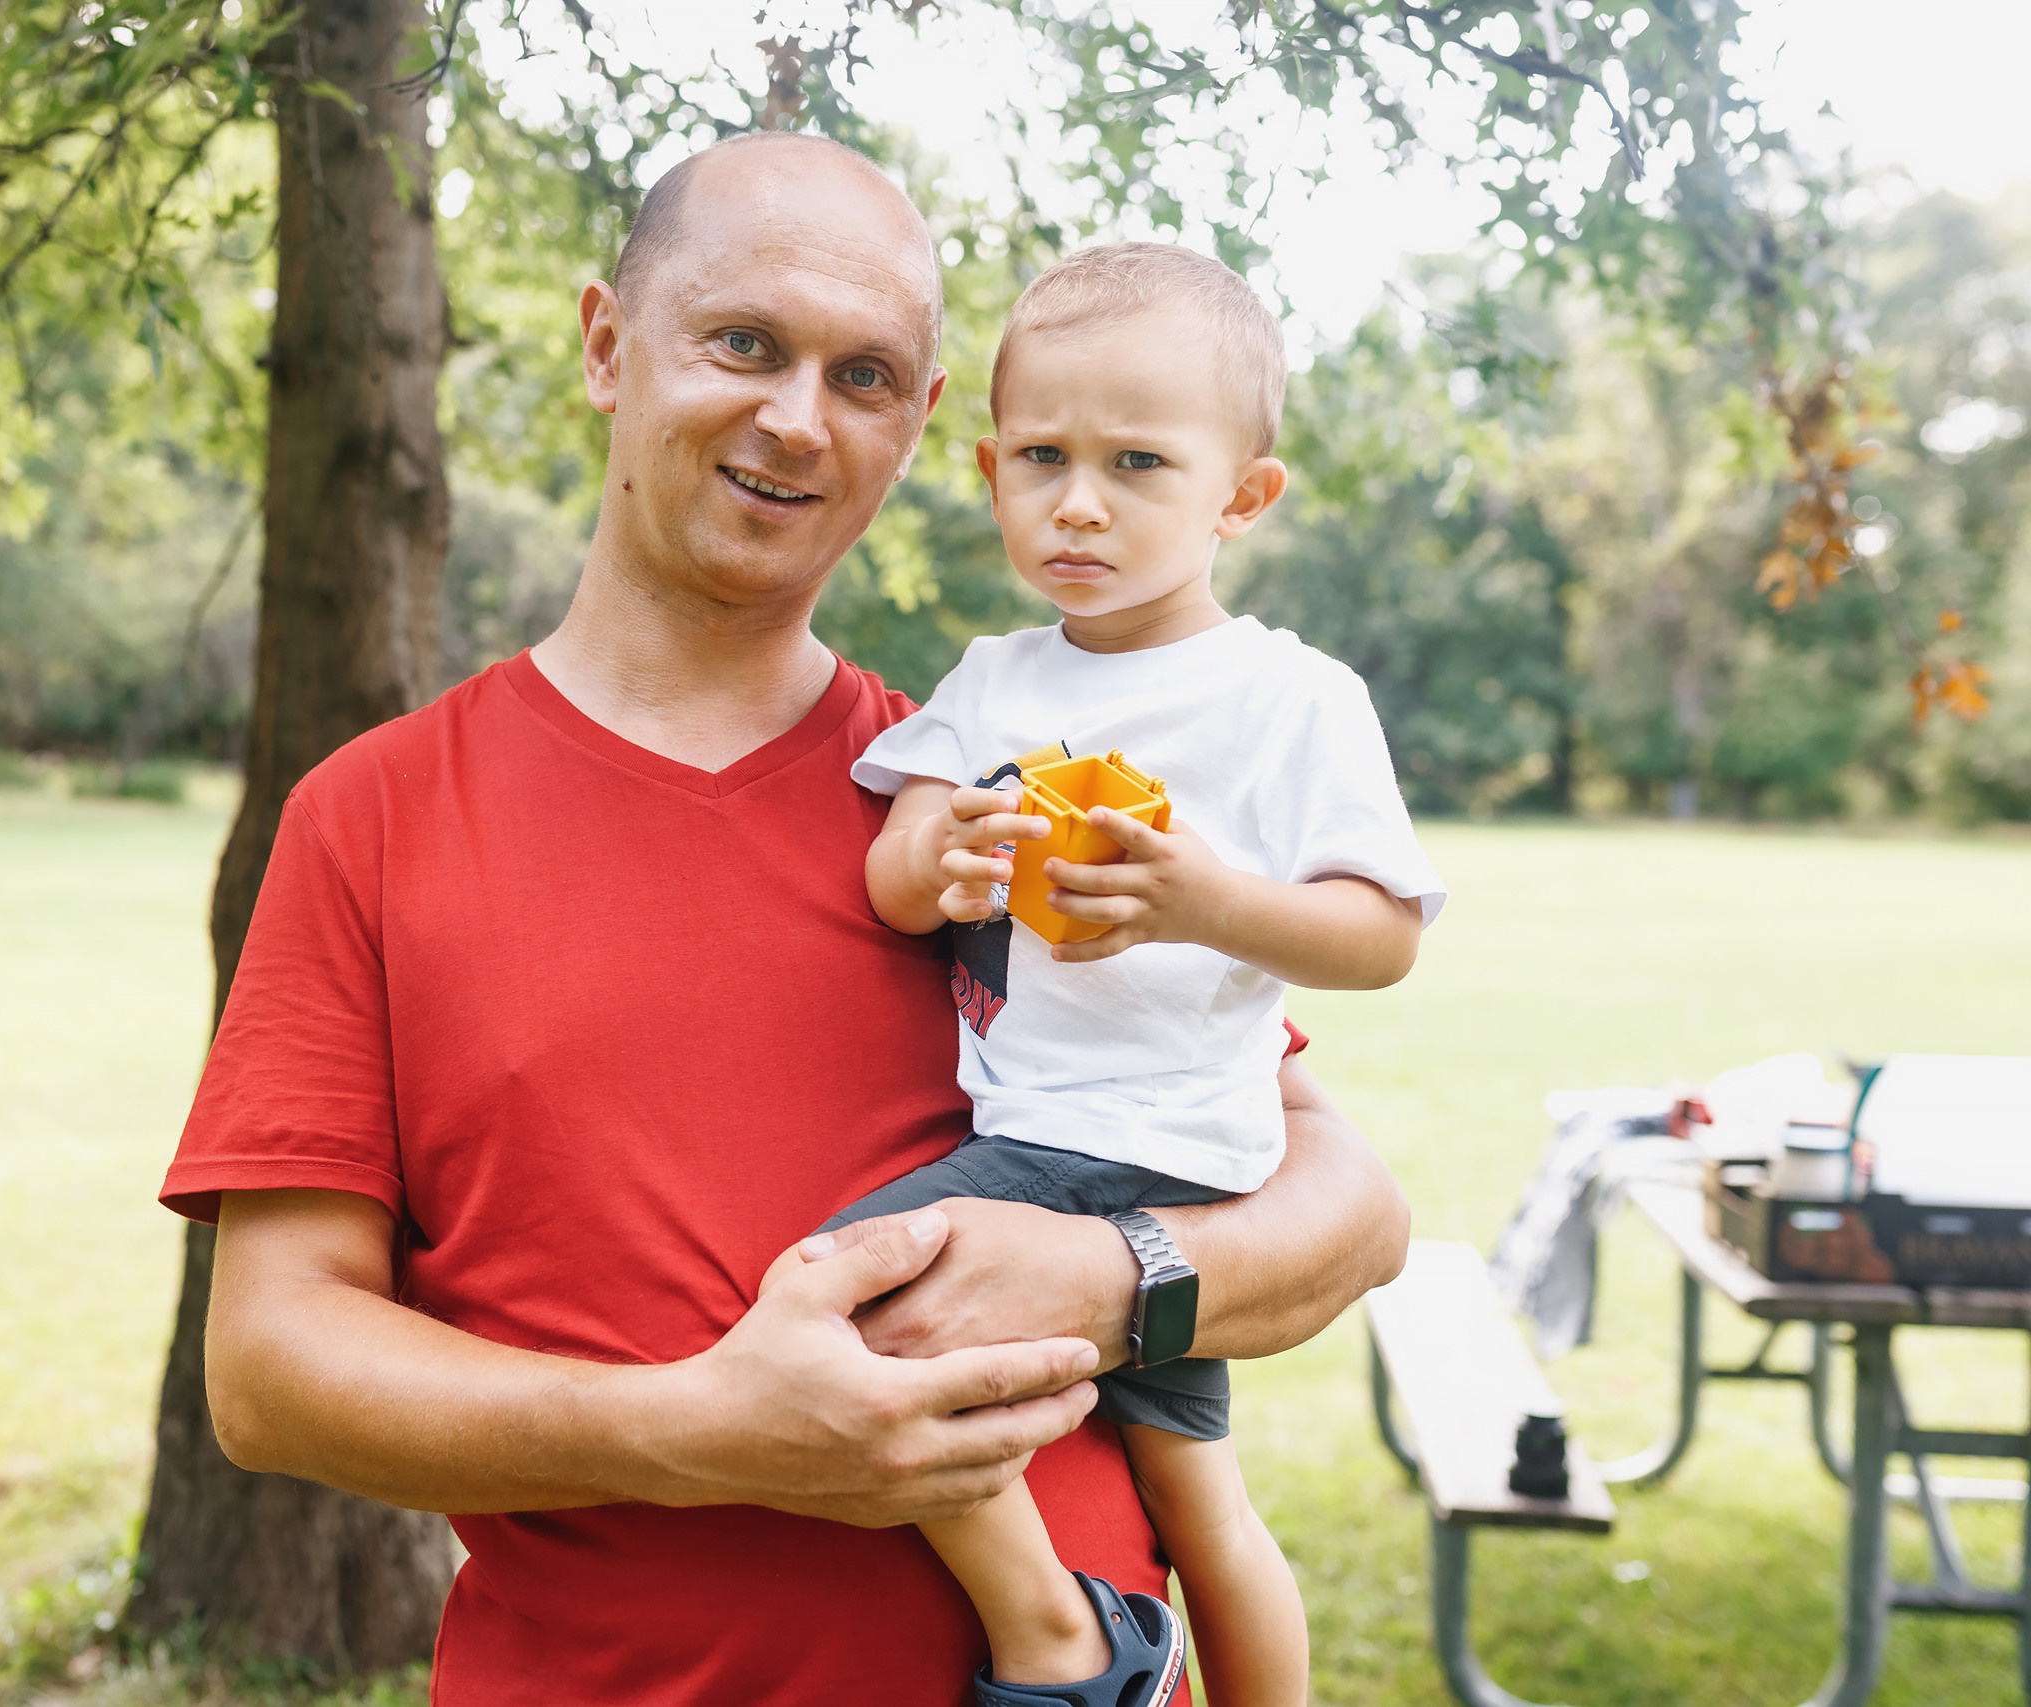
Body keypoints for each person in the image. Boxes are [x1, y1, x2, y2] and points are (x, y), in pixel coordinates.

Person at [159, 131, 1410, 1707]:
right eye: (743, 343)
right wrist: (688, 1432)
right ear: (610, 346)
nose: (797, 419)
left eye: (868, 376)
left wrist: (1107, 1278)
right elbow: (271, 1378)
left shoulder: (996, 794)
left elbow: (1350, 1209)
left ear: (924, 431)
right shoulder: (376, 817)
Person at [810, 242, 1445, 1707]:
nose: (1078, 501)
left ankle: (1056, 1641)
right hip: (1063, 1142)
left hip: (1147, 1153)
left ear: (1242, 496)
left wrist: (1207, 900)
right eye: (1042, 456)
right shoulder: (1000, 683)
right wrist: (943, 856)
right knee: (1197, 1502)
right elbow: (895, 865)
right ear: (988, 470)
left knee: (845, 1312)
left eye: (1139, 463)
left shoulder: (1290, 697)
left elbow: (1383, 936)